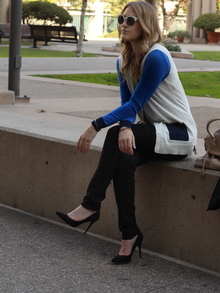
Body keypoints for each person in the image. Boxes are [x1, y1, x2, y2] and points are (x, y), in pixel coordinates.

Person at [56, 1, 197, 264]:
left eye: (131, 20)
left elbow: (135, 104)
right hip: (152, 132)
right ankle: (129, 234)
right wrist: (125, 126)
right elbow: (126, 105)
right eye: (121, 18)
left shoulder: (157, 56)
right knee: (124, 160)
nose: (123, 24)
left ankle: (91, 204)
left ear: (146, 24)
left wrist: (96, 125)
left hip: (177, 135)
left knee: (111, 137)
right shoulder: (123, 59)